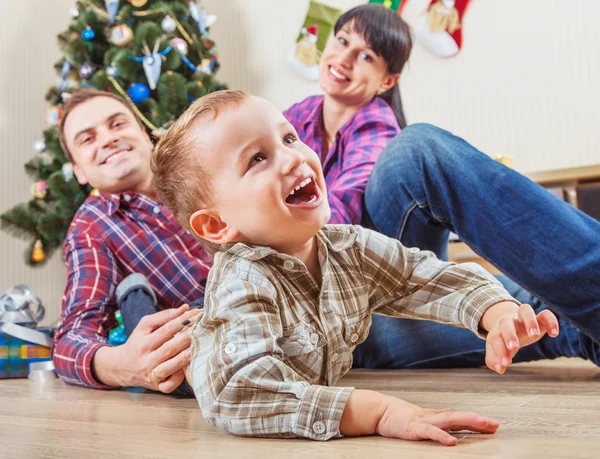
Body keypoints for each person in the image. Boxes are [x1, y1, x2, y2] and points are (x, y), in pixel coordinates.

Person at [51, 6, 599, 395]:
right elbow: (73, 332)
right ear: (77, 169)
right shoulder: (97, 225)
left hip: (348, 282)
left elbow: (395, 261)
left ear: (145, 131)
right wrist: (114, 362)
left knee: (417, 153)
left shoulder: (268, 147)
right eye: (87, 138)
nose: (108, 138)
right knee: (543, 311)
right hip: (301, 344)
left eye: (116, 122)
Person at [150, 89, 561, 444]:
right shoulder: (243, 279)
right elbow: (240, 393)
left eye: (290, 137)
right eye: (257, 158)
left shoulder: (348, 246)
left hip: (311, 367)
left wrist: (496, 311)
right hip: (190, 371)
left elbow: (420, 276)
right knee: (172, 353)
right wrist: (378, 412)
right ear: (218, 224)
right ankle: (137, 298)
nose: (293, 158)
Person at [283, 4, 600, 369]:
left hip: (373, 272)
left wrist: (276, 223)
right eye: (341, 41)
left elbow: (332, 217)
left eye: (366, 55)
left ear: (387, 81)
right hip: (334, 318)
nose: (345, 58)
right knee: (542, 312)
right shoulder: (295, 118)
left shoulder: (375, 127)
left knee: (414, 151)